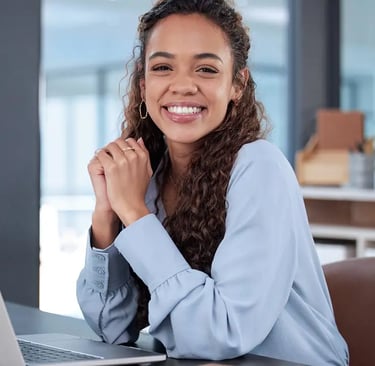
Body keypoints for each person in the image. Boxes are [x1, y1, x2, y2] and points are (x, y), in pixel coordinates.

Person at [76, 0, 349, 364]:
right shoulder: (150, 177)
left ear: (237, 84)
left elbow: (222, 333)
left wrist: (136, 214)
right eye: (162, 67)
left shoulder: (260, 167)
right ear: (143, 86)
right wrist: (108, 214)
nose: (183, 85)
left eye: (205, 69)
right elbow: (110, 327)